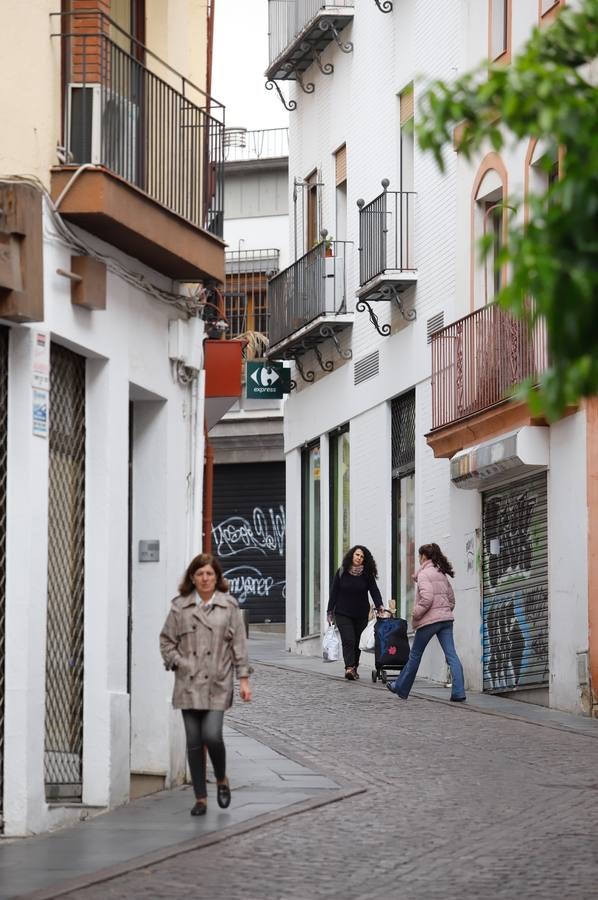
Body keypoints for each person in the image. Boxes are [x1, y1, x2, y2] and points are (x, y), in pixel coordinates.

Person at [160, 553, 252, 817]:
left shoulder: (229, 606)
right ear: (192, 577)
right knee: (193, 740)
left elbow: (239, 645)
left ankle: (221, 779)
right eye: (200, 574)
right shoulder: (180, 607)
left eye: (209, 573)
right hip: (188, 682)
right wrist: (179, 662)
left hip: (218, 682)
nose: (205, 578)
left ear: (217, 577)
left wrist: (243, 679)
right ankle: (200, 798)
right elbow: (166, 641)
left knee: (211, 735)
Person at [386, 543, 466, 702]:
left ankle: (400, 687)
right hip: (446, 620)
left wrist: (416, 613)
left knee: (415, 655)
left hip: (429, 622)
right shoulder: (441, 573)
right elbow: (451, 600)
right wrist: (443, 611)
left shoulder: (424, 574)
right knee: (452, 655)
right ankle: (459, 692)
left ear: (423, 557)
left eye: (419, 556)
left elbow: (427, 598)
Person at [327, 545, 384, 680]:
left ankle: (354, 667)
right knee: (349, 640)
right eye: (357, 555)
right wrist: (329, 611)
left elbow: (374, 591)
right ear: (352, 555)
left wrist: (379, 606)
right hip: (342, 613)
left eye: (362, 556)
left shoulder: (367, 575)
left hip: (360, 614)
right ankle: (349, 667)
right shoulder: (341, 572)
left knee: (358, 642)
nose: (359, 558)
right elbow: (334, 592)